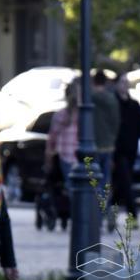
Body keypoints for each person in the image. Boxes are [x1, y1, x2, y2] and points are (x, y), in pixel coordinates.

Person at [44, 77, 80, 230]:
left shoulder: (72, 115)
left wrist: (49, 156)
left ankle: (77, 217)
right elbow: (52, 138)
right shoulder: (69, 115)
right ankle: (78, 218)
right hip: (72, 156)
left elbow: (52, 139)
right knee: (74, 189)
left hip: (70, 156)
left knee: (73, 188)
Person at [111, 74, 140, 221]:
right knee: (125, 181)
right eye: (122, 82)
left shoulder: (134, 105)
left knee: (121, 183)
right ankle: (133, 215)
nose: (125, 85)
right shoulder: (112, 103)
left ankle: (111, 211)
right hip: (116, 150)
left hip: (131, 149)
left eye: (127, 82)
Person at [91, 70, 120, 232]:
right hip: (108, 146)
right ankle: (108, 211)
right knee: (106, 183)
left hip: (94, 146)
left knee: (95, 183)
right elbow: (116, 122)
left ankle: (99, 215)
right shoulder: (111, 99)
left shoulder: (90, 98)